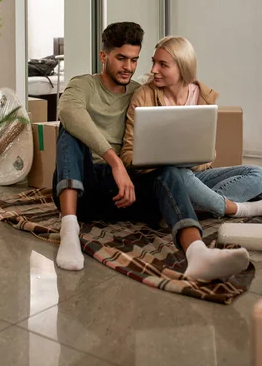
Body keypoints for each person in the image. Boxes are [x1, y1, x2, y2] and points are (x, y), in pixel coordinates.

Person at [53, 23, 249, 281]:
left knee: (167, 169)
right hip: (85, 189)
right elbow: (68, 112)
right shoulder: (82, 86)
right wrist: (115, 162)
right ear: (104, 56)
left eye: (134, 60)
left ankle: (197, 253)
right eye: (121, 58)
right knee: (69, 131)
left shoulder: (140, 93)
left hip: (128, 194)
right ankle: (68, 231)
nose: (128, 67)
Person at [121, 35, 262, 222]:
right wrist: (162, 161)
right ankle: (238, 209)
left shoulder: (204, 97)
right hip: (162, 178)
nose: (153, 70)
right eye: (154, 62)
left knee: (258, 174)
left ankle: (191, 206)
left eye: (163, 65)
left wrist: (192, 160)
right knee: (175, 172)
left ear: (182, 67)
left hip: (196, 176)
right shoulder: (143, 96)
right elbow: (127, 154)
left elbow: (208, 155)